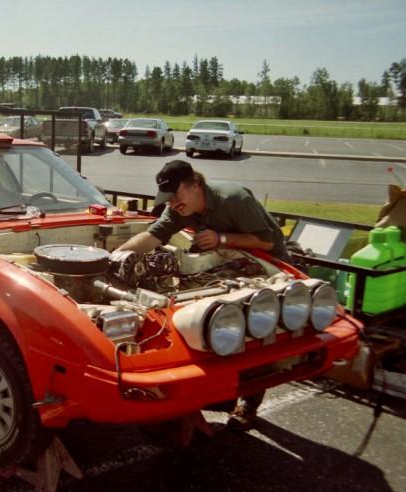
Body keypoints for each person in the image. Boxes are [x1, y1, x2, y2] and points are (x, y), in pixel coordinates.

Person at [115, 159, 290, 430]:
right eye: (168, 198)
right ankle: (221, 390)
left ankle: (249, 401)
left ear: (196, 185)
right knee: (218, 325)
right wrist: (116, 258)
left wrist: (221, 238)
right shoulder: (179, 209)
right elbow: (153, 236)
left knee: (255, 331)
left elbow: (267, 241)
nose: (173, 203)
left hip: (266, 262)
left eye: (177, 195)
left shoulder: (234, 198)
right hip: (229, 263)